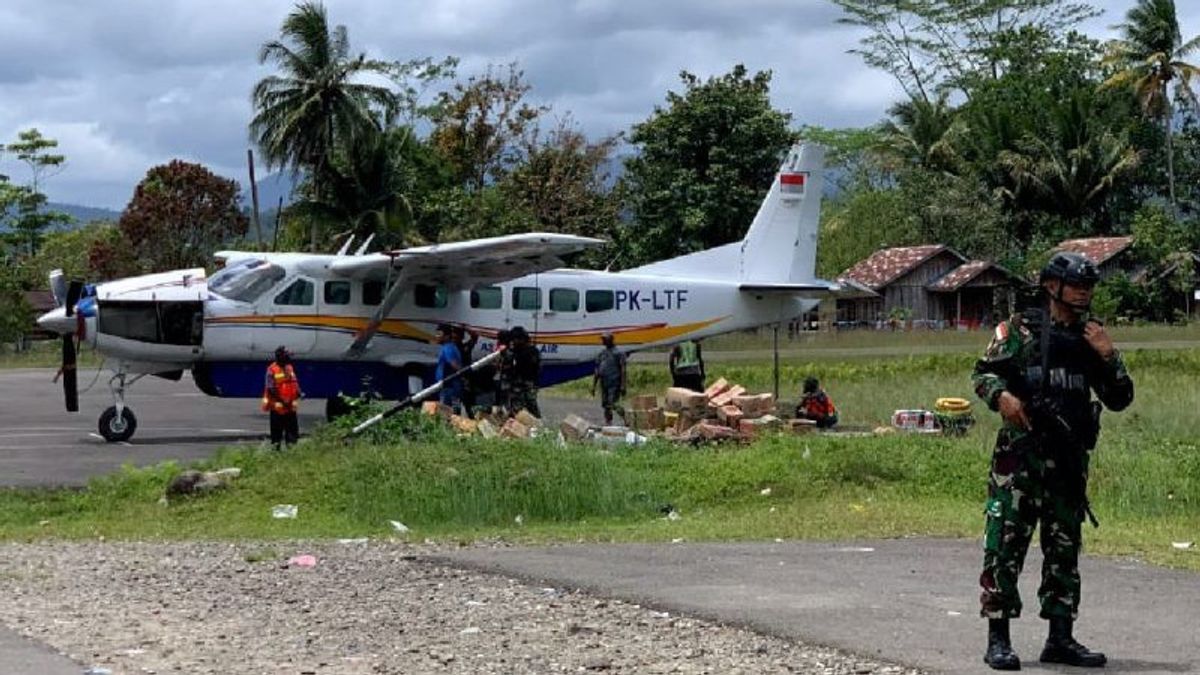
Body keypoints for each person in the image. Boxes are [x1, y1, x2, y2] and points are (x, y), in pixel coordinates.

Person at [972, 251, 1134, 670]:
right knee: (1006, 545)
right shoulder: (1018, 331)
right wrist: (1002, 398)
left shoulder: (1090, 337)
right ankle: (999, 639)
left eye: (1089, 286)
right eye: (1077, 285)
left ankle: (1060, 638)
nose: (1085, 292)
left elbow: (1120, 398)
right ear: (1052, 287)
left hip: (1067, 461)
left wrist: (1108, 356)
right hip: (1021, 460)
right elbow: (983, 374)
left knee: (1064, 549)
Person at [262, 346, 301, 450]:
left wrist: (298, 392)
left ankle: (292, 452)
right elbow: (271, 388)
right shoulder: (272, 370)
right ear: (280, 357)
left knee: (292, 433)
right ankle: (276, 453)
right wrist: (282, 400)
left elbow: (294, 382)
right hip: (278, 408)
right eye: (287, 356)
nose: (289, 358)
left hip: (290, 408)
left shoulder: (289, 368)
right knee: (276, 435)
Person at [591, 332, 627, 425]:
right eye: (602, 339)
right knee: (605, 404)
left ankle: (626, 418)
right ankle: (608, 422)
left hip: (614, 382)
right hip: (604, 383)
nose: (603, 341)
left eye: (605, 339)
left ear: (611, 340)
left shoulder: (618, 353)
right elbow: (597, 370)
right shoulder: (602, 354)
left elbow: (623, 370)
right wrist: (593, 386)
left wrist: (623, 385)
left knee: (613, 403)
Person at [506, 325, 541, 418]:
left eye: (515, 339)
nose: (513, 342)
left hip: (528, 383)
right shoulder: (516, 351)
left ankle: (537, 425)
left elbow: (532, 366)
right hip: (517, 384)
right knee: (516, 408)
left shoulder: (531, 351)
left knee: (531, 405)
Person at [434, 323, 463, 413]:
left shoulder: (448, 348)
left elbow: (454, 365)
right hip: (452, 387)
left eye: (439, 334)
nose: (436, 336)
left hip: (449, 387)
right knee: (455, 412)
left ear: (446, 336)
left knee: (446, 413)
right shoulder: (451, 347)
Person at [452, 325, 479, 413]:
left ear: (461, 337)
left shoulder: (466, 347)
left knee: (470, 406)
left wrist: (465, 328)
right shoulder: (450, 349)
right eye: (453, 337)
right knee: (456, 407)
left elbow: (475, 336)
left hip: (467, 380)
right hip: (455, 380)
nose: (454, 339)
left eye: (457, 336)